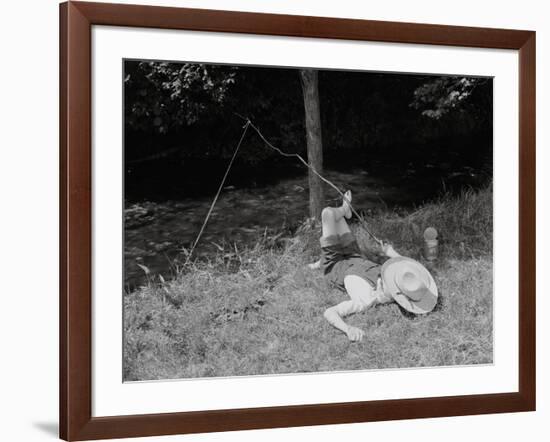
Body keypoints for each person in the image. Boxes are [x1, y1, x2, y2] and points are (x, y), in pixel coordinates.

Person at [308, 190, 438, 342]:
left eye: (392, 282)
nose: (390, 277)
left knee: (328, 214)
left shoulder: (365, 299)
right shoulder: (394, 280)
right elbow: (408, 266)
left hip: (335, 264)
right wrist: (390, 252)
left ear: (395, 294)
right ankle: (342, 216)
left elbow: (330, 312)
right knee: (336, 220)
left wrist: (348, 329)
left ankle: (344, 209)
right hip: (353, 254)